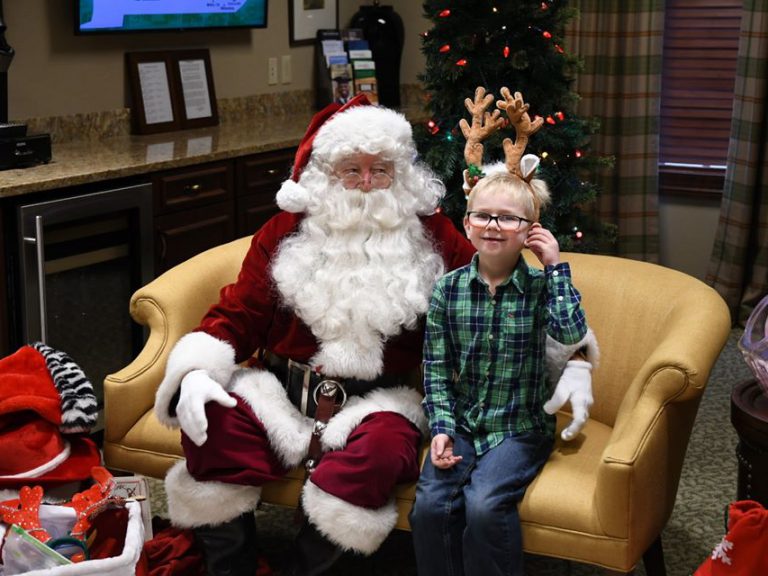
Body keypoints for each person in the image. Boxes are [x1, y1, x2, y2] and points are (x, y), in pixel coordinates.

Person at [153, 93, 594, 576]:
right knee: (215, 423)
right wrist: (196, 371)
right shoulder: (283, 232)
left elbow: (501, 298)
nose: (366, 184)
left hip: (381, 401)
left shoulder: (436, 235)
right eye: (350, 170)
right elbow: (239, 312)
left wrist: (572, 358)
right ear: (324, 175)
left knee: (381, 456)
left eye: (380, 170)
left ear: (401, 175)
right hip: (281, 392)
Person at [409, 88, 597, 576]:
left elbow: (573, 334)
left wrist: (555, 267)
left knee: (486, 503)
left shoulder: (539, 288)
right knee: (430, 505)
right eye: (483, 215)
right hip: (465, 422)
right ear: (467, 222)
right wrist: (444, 427)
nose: (493, 226)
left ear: (529, 228)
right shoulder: (448, 291)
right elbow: (435, 369)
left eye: (508, 218)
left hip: (519, 428)